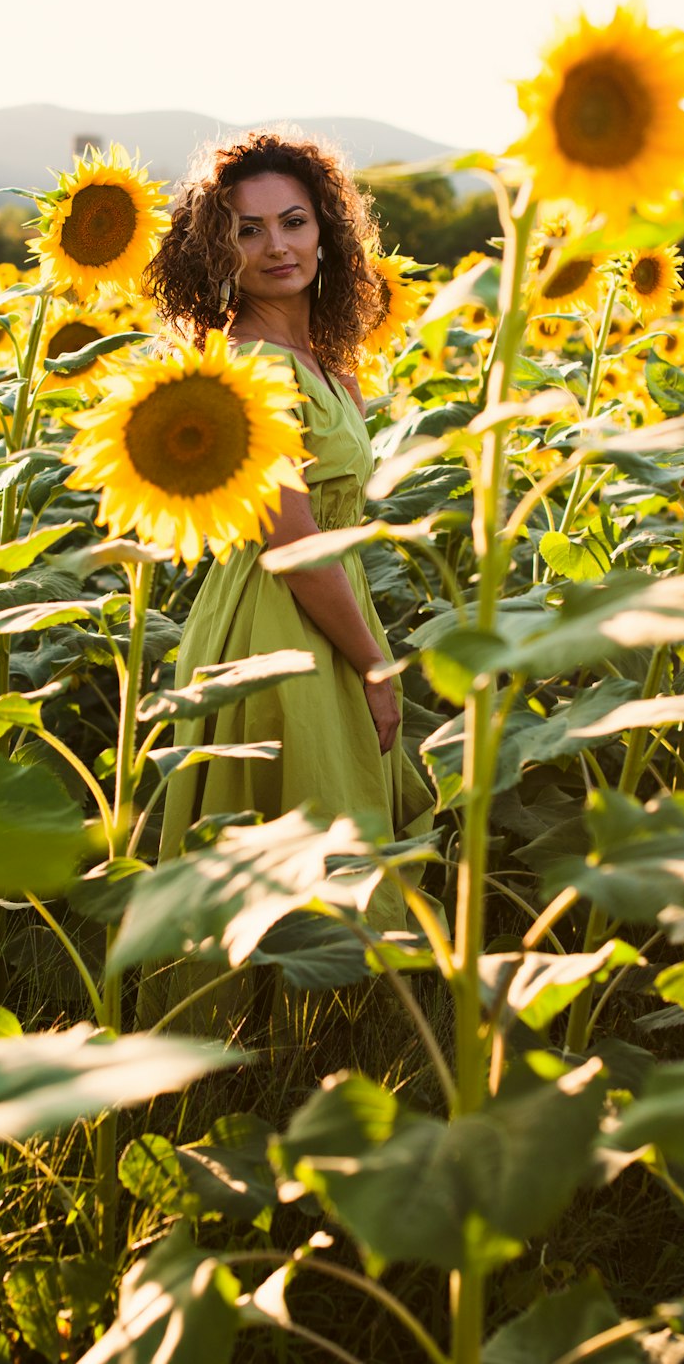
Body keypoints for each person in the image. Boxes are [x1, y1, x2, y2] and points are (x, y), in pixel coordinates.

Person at [146, 130, 435, 870]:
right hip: (272, 625)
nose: (277, 245)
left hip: (328, 609)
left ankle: (330, 993)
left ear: (326, 233)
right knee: (302, 842)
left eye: (294, 221)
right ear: (218, 252)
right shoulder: (252, 369)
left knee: (324, 835)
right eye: (248, 230)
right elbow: (294, 541)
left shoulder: (319, 362)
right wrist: (377, 668)